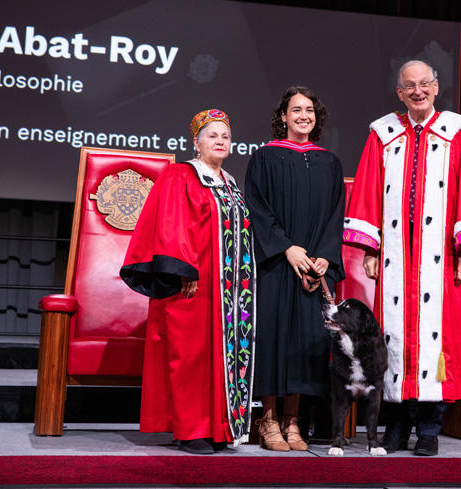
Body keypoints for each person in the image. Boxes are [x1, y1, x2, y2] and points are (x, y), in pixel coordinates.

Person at [344, 59, 461, 456]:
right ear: (399, 92)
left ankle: (429, 428)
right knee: (394, 338)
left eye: (424, 84)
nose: (417, 91)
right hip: (396, 258)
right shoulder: (384, 133)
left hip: (438, 257)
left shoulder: (458, 131)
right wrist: (371, 247)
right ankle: (396, 426)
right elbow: (367, 189)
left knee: (435, 340)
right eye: (409, 86)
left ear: (436, 87)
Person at [120, 110, 256, 455]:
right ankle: (190, 429)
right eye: (212, 136)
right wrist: (183, 269)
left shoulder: (229, 182)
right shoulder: (181, 174)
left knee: (220, 357)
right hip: (192, 283)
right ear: (196, 142)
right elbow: (171, 222)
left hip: (227, 291)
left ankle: (217, 428)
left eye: (225, 136)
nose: (220, 141)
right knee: (190, 356)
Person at [245, 86, 344, 452]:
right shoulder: (265, 158)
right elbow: (257, 209)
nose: (303, 116)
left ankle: (293, 421)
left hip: (315, 268)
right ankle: (268, 420)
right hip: (277, 264)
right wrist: (287, 248)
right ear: (283, 117)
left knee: (308, 341)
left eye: (309, 110)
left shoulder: (329, 162)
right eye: (296, 110)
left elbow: (336, 216)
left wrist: (324, 258)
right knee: (274, 338)